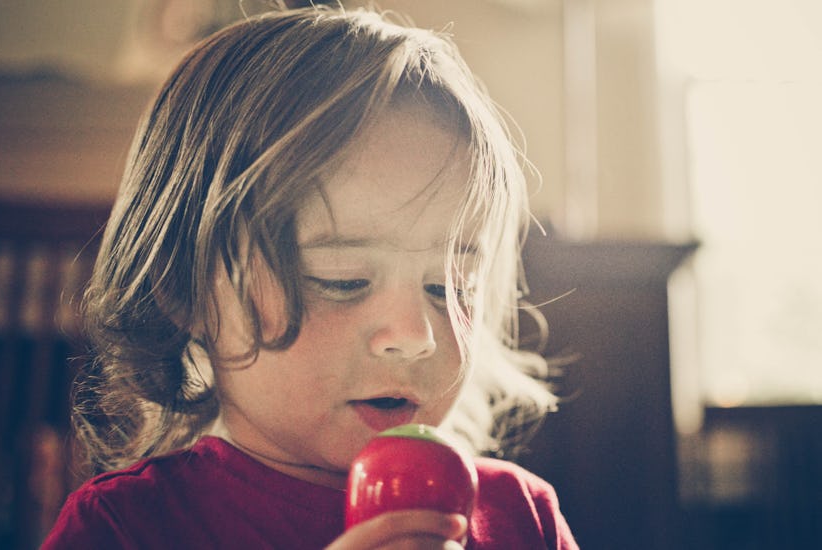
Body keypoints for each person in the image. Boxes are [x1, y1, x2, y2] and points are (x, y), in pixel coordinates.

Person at [43, 5, 578, 549]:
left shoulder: (521, 517)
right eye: (343, 280)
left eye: (451, 288)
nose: (418, 336)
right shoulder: (126, 525)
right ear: (185, 291)